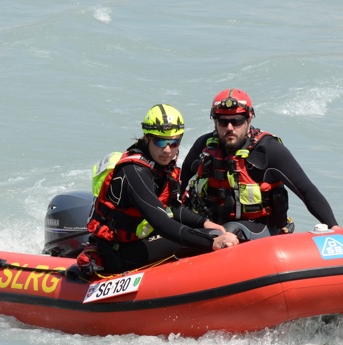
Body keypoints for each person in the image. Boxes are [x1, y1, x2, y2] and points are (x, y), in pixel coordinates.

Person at [83, 103, 240, 275]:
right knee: (207, 236)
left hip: (138, 242)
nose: (167, 150)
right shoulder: (134, 172)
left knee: (210, 229)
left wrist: (203, 222)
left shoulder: (161, 168)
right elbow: (161, 223)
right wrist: (212, 241)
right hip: (117, 253)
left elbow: (172, 208)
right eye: (160, 141)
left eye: (174, 143)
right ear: (147, 137)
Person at [179, 88, 340, 234]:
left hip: (259, 228)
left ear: (248, 119)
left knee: (229, 231)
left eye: (236, 121)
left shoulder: (269, 150)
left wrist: (334, 226)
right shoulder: (204, 146)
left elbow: (306, 190)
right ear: (215, 122)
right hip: (213, 226)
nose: (229, 127)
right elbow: (181, 182)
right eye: (223, 121)